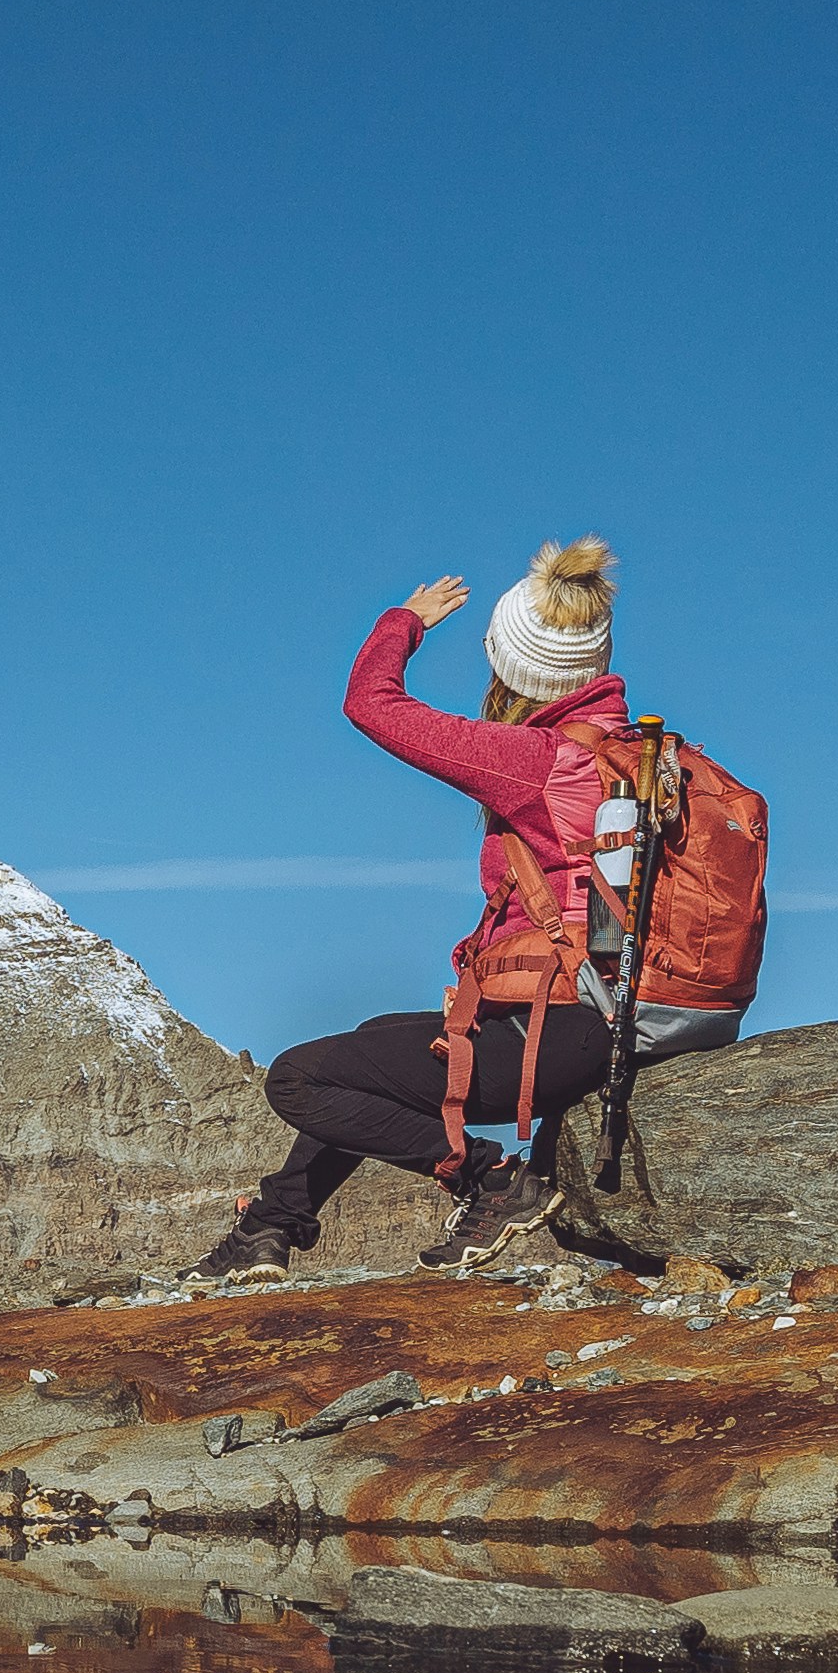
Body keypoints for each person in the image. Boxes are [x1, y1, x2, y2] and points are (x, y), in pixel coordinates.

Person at [205, 536, 717, 1280]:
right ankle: (272, 1227)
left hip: (568, 1028)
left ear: (508, 667)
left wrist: (403, 621)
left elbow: (370, 705)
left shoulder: (535, 760)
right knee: (377, 1036)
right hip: (630, 1011)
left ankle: (489, 1178)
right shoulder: (642, 756)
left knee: (297, 1079)